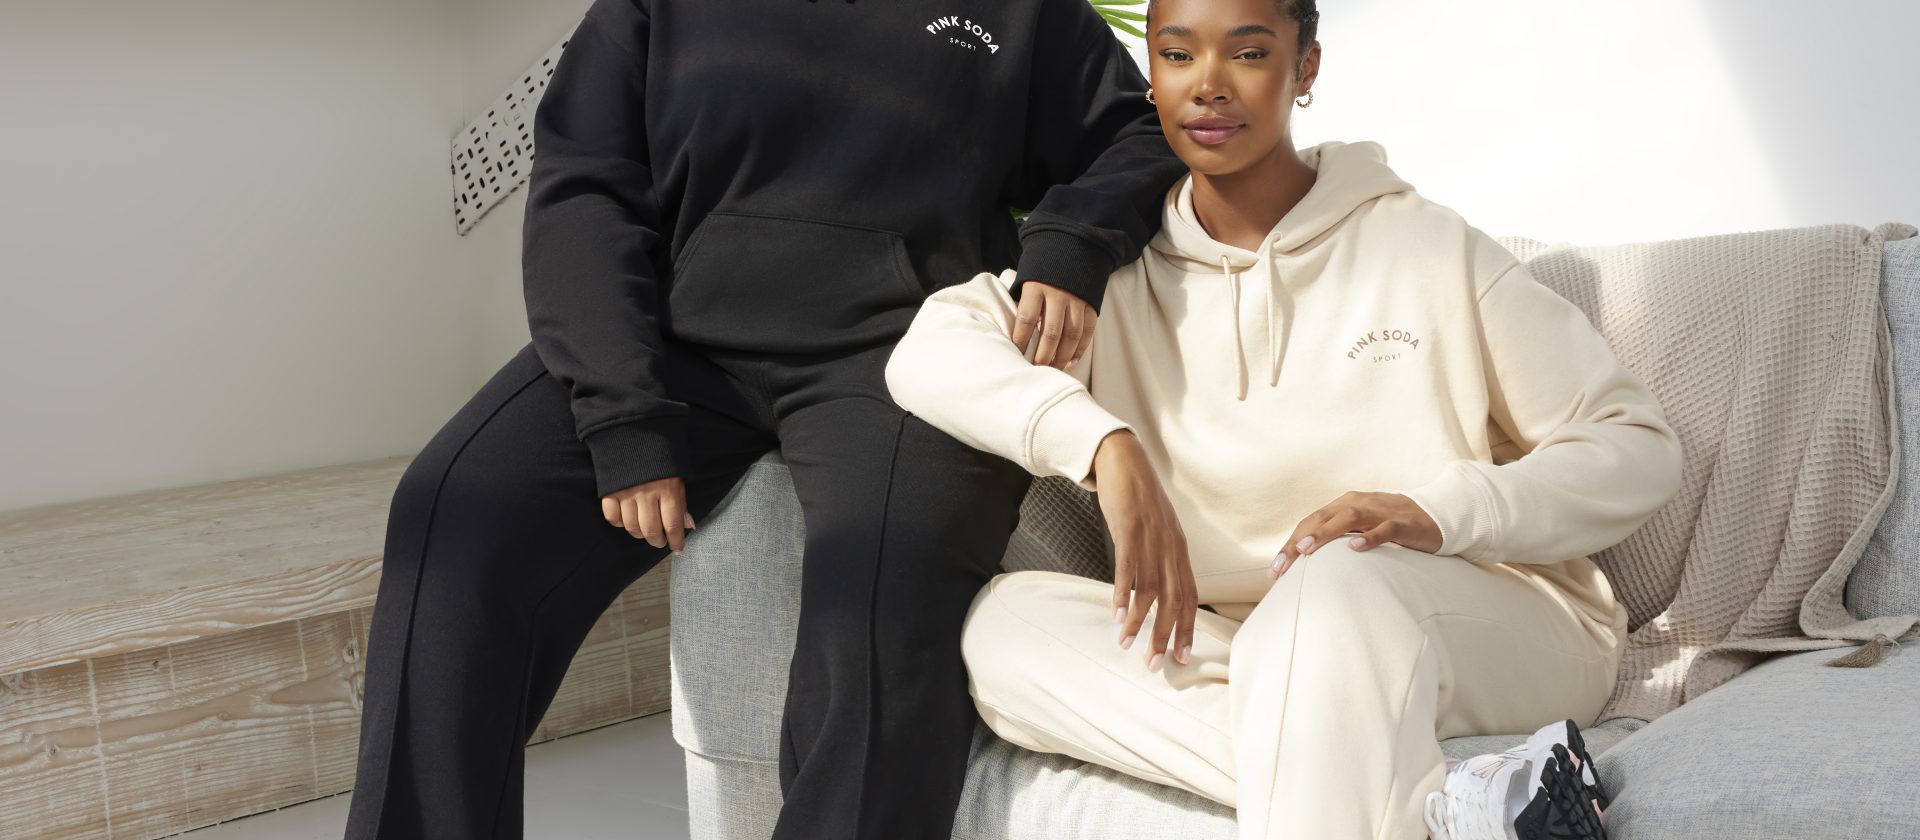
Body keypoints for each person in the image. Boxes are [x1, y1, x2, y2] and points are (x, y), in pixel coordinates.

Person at [340, 0, 1188, 837]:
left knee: (886, 605)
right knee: (453, 512)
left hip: (906, 354)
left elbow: (1142, 132)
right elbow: (585, 188)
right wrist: (623, 412)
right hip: (677, 341)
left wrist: (1070, 245)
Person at [884, 0, 1684, 837]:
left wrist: (1438, 510)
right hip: (1260, 646)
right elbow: (930, 350)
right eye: (1177, 55)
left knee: (1336, 578)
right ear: (1152, 76)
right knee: (1005, 628)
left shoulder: (1426, 246)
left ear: (1305, 69)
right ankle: (1457, 793)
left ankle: (1363, 757)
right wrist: (1101, 443)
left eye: (1248, 53)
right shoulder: (1111, 282)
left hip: (1494, 623)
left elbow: (1634, 444)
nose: (1208, 86)